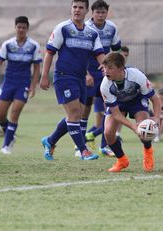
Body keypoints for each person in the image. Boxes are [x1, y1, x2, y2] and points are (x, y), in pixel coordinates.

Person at [40, 0, 105, 161]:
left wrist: (110, 71)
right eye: (74, 7)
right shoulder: (63, 28)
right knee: (75, 113)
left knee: (75, 115)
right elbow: (49, 52)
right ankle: (83, 150)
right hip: (64, 76)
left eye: (81, 7)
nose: (77, 10)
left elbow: (100, 56)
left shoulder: (92, 33)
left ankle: (50, 141)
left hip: (80, 79)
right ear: (71, 9)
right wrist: (44, 76)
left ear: (86, 10)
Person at [100, 52, 161, 172]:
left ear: (121, 68)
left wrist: (157, 117)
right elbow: (116, 114)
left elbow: (155, 99)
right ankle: (122, 160)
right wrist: (133, 126)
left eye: (110, 68)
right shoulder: (105, 86)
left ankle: (148, 152)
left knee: (145, 128)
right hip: (119, 103)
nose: (106, 71)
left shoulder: (137, 76)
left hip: (137, 100)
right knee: (108, 133)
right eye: (105, 67)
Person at [0, 16, 42, 154]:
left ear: (27, 29)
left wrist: (33, 85)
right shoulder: (8, 44)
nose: (21, 29)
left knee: (15, 113)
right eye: (19, 27)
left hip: (23, 84)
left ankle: (6, 145)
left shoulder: (33, 46)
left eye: (24, 27)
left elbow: (37, 68)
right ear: (15, 28)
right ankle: (10, 136)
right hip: (8, 83)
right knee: (1, 116)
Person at [79, 0, 121, 157]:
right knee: (85, 109)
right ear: (92, 13)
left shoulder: (111, 28)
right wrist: (86, 73)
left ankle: (106, 145)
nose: (100, 15)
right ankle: (80, 146)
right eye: (98, 12)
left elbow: (117, 51)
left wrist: (119, 71)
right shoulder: (86, 28)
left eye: (103, 12)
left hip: (106, 73)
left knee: (108, 108)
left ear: (107, 13)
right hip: (89, 73)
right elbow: (81, 53)